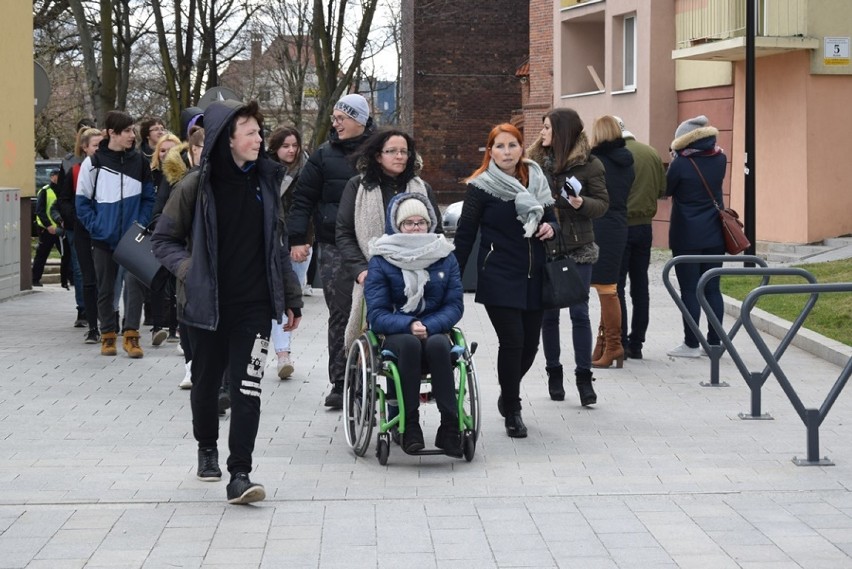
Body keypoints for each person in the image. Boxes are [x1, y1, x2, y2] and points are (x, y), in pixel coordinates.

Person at [151, 100, 303, 505]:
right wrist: (191, 270)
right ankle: (206, 447)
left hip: (253, 307)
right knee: (205, 387)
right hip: (205, 306)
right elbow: (161, 240)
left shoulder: (266, 183)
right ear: (228, 139)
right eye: (250, 132)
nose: (258, 139)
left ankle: (241, 473)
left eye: (258, 131)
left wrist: (290, 296)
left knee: (247, 388)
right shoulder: (194, 187)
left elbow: (277, 244)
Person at [454, 123, 557, 438]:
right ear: (490, 151)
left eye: (512, 145)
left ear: (521, 148)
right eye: (499, 146)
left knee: (530, 345)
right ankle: (513, 408)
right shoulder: (480, 187)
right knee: (512, 341)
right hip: (497, 273)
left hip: (534, 273)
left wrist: (552, 229)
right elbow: (466, 235)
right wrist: (452, 279)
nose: (507, 152)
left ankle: (506, 390)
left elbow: (552, 218)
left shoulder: (537, 178)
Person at [287, 93, 375, 409]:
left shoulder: (380, 152)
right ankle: (341, 381)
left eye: (342, 118)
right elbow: (302, 200)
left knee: (376, 312)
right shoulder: (323, 156)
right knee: (341, 313)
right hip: (335, 245)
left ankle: (375, 375)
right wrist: (298, 238)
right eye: (334, 117)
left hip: (375, 244)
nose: (335, 123)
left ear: (359, 121)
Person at [365, 193, 463, 455]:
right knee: (409, 344)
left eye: (421, 222)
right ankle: (410, 426)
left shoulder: (444, 255)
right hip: (395, 332)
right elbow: (376, 313)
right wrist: (409, 325)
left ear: (430, 223)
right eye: (409, 222)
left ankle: (450, 427)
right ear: (397, 225)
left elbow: (454, 305)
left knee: (440, 345)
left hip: (433, 327)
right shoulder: (381, 258)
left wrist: (428, 325)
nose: (416, 227)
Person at [336, 128, 443, 357]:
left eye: (404, 151)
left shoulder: (422, 188)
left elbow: (437, 233)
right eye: (392, 151)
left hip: (417, 274)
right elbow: (344, 233)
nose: (399, 156)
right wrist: (360, 269)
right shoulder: (358, 187)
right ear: (377, 155)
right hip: (375, 274)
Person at [528, 108, 609, 406]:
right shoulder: (533, 163)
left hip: (578, 247)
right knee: (549, 314)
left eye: (547, 128)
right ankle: (554, 373)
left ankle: (584, 378)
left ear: (561, 131)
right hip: (545, 247)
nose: (542, 133)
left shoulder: (589, 165)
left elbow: (602, 205)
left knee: (579, 312)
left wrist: (580, 202)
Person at [76, 110, 156, 359]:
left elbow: (148, 198)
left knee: (135, 286)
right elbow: (82, 202)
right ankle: (108, 335)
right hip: (103, 237)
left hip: (132, 237)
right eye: (128, 131)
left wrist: (139, 225)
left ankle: (131, 336)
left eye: (133, 130)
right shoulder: (94, 162)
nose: (133, 135)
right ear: (112, 133)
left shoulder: (140, 162)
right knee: (106, 288)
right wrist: (97, 226)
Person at [665, 115, 727, 358]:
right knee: (713, 288)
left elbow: (667, 189)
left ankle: (691, 343)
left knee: (690, 289)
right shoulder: (720, 158)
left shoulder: (681, 164)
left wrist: (674, 161)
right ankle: (714, 343)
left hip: (686, 235)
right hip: (715, 234)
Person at [153, 126, 206, 389]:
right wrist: (185, 264)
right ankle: (191, 365)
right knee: (186, 311)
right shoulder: (179, 178)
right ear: (193, 151)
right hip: (186, 256)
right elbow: (160, 216)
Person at [613, 117, 666, 360]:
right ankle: (637, 343)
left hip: (620, 226)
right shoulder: (651, 153)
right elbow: (661, 191)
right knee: (640, 285)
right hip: (645, 227)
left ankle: (620, 340)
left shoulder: (613, 156)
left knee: (617, 287)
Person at [589, 115, 634, 369]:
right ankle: (603, 343)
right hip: (618, 225)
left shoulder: (597, 161)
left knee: (607, 290)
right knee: (608, 288)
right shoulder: (627, 161)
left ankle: (613, 345)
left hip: (601, 226)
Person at [267, 126, 310, 379]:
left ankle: (284, 351)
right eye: (286, 146)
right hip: (271, 239)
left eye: (295, 145)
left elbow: (307, 209)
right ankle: (279, 351)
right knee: (275, 296)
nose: (291, 150)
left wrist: (302, 240)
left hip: (297, 241)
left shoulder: (307, 170)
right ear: (275, 148)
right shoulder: (265, 170)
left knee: (290, 298)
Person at [55, 127, 104, 343]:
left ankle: (110, 318)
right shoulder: (75, 171)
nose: (99, 149)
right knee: (86, 275)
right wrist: (75, 217)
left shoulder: (111, 169)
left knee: (108, 277)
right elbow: (63, 199)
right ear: (84, 148)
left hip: (105, 229)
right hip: (81, 229)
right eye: (95, 145)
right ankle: (92, 324)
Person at [31, 169, 66, 287]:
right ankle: (35, 279)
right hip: (47, 230)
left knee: (67, 254)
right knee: (41, 255)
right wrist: (48, 225)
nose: (58, 178)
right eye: (56, 176)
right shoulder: (45, 191)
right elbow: (40, 211)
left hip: (61, 229)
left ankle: (70, 279)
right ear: (52, 177)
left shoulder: (64, 190)